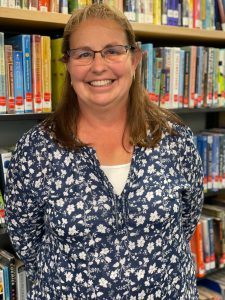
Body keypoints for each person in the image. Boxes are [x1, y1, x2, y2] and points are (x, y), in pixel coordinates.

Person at [5, 3, 204, 299]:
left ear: (135, 59)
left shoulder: (175, 140)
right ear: (68, 64)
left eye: (113, 50)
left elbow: (186, 221)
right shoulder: (36, 151)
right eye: (84, 54)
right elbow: (27, 240)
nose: (99, 66)